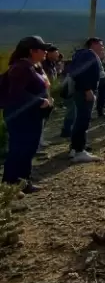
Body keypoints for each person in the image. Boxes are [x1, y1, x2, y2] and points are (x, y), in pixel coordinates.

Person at [0, 36, 53, 192]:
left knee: (28, 148)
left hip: (30, 115)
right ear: (32, 51)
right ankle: (10, 185)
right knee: (19, 149)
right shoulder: (21, 67)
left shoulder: (33, 66)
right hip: (21, 116)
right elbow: (17, 93)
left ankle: (22, 182)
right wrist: (39, 101)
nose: (45, 52)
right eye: (42, 49)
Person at [68, 38, 105, 163]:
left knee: (80, 120)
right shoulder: (87, 54)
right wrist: (87, 89)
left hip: (81, 91)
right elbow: (81, 73)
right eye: (101, 45)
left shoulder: (81, 54)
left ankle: (74, 148)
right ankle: (79, 150)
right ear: (93, 44)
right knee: (83, 120)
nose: (102, 48)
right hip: (84, 91)